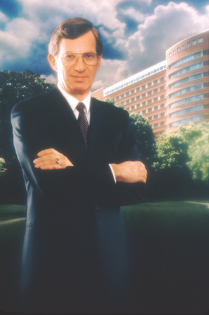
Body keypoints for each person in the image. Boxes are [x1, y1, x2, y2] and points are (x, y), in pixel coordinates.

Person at [11, 17, 147, 312]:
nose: (80, 66)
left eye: (88, 56)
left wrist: (72, 172)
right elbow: (53, 189)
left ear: (99, 60)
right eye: (69, 56)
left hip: (112, 262)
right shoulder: (29, 113)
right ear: (52, 61)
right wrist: (116, 171)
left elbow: (138, 190)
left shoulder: (118, 119)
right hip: (51, 263)